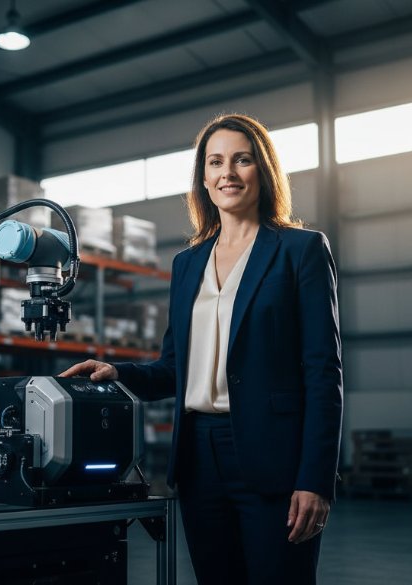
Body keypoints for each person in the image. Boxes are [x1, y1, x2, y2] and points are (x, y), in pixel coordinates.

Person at [60, 113, 343, 585]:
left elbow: (323, 372)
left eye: (242, 160)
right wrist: (119, 373)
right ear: (204, 178)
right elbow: (176, 368)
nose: (228, 172)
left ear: (263, 171)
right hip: (199, 460)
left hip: (272, 457)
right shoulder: (188, 263)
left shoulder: (301, 250)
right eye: (215, 162)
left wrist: (315, 480)